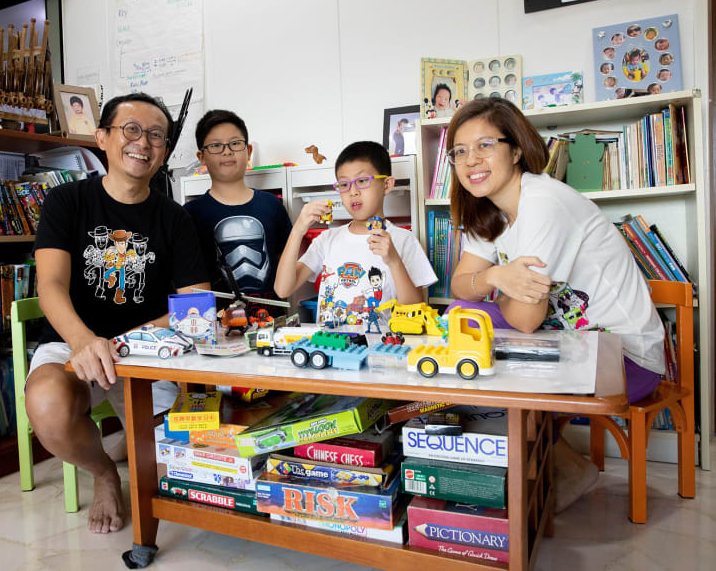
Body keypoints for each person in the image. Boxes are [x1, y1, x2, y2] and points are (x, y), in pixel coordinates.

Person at [444, 97, 664, 511]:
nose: (471, 159)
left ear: (515, 149)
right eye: (459, 151)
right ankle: (544, 467)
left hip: (623, 358)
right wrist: (494, 277)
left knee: (482, 347)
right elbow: (460, 286)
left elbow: (526, 320)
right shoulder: (485, 213)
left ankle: (552, 470)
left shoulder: (544, 201)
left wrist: (497, 291)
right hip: (564, 345)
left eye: (485, 145)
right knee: (461, 317)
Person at [26, 92, 209, 534]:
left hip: (146, 350)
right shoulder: (65, 202)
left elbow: (197, 304)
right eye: (131, 130)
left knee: (180, 465)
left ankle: (131, 437)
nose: (143, 143)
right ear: (102, 137)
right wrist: (86, 342)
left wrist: (123, 344)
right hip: (73, 343)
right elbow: (49, 284)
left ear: (164, 151)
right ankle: (105, 474)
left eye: (156, 135)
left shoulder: (175, 218)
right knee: (48, 404)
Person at [274, 141, 437, 328]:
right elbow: (282, 289)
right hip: (330, 347)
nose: (353, 191)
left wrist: (393, 260)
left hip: (381, 352)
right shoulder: (326, 240)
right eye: (344, 184)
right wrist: (297, 230)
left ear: (386, 184)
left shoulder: (404, 240)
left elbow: (415, 309)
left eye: (362, 181)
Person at [184, 110, 292, 316]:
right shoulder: (190, 215)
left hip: (272, 327)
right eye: (216, 145)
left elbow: (287, 266)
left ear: (248, 151)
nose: (227, 152)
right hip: (217, 333)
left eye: (235, 143)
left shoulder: (272, 206)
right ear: (201, 157)